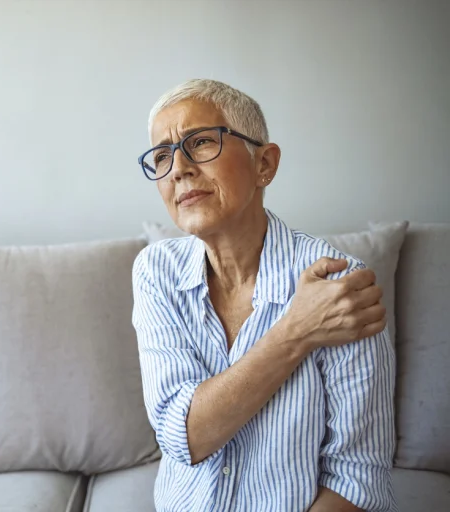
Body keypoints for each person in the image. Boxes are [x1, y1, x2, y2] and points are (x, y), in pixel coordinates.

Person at [132, 79, 396, 512]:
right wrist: (296, 332)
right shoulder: (155, 271)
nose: (178, 168)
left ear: (264, 164)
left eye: (201, 142)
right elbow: (183, 436)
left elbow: (358, 481)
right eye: (162, 156)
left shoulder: (339, 288)